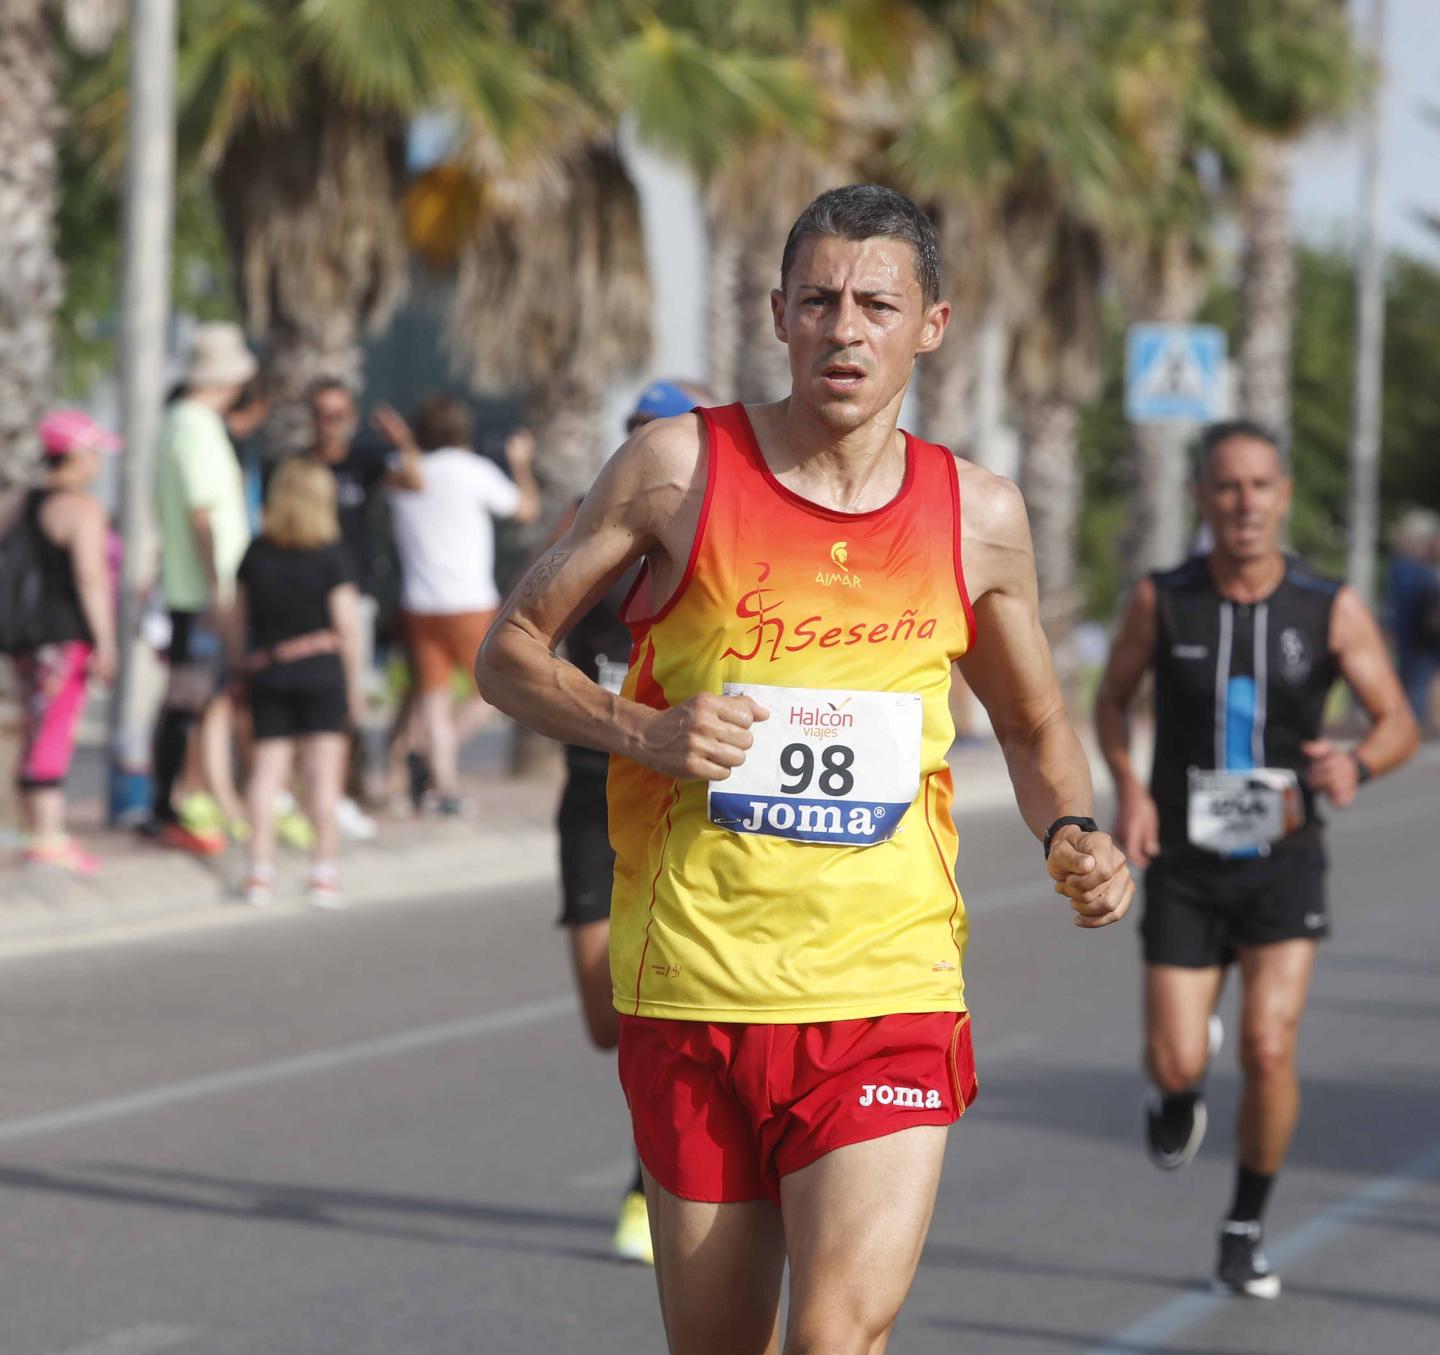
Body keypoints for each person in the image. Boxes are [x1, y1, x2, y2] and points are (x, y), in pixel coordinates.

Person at [475, 184, 1132, 1354]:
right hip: (696, 983)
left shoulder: (974, 513)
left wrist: (1072, 829)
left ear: (929, 324)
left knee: (834, 1337)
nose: (845, 329)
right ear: (777, 313)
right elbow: (507, 655)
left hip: (886, 985)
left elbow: (1033, 727)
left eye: (877, 303)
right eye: (819, 301)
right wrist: (644, 732)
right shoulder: (678, 467)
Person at [1094, 420, 1420, 1299]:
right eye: (1227, 487)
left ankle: (1244, 1226)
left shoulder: (1328, 605)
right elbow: (1112, 698)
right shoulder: (1164, 598)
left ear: (1282, 496)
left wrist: (1357, 761)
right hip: (1187, 865)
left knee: (1270, 1047)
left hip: (1283, 856)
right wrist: (1129, 784)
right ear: (1202, 499)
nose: (1245, 503)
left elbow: (1398, 721)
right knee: (1175, 1063)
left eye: (1260, 486)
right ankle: (1175, 1089)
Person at [545, 377, 709, 1266]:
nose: (645, 445)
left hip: (681, 795)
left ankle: (651, 1176)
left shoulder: (726, 521)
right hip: (591, 781)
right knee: (607, 1017)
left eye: (664, 430)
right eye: (635, 430)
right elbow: (527, 630)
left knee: (663, 995)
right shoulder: (589, 517)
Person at [387, 395, 539, 814]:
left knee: (432, 698)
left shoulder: (404, 474)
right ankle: (435, 765)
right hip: (470, 599)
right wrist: (521, 462)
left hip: (419, 599)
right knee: (493, 692)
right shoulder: (474, 472)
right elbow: (526, 509)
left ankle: (442, 781)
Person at [227, 457, 366, 906]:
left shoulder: (256, 552)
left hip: (269, 670)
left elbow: (236, 620)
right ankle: (323, 874)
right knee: (323, 780)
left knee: (266, 775)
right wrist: (356, 686)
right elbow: (347, 627)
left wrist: (241, 666)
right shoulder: (331, 555)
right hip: (321, 669)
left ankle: (258, 873)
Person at [148, 321, 258, 854]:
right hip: (203, 592)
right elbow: (201, 514)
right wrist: (219, 591)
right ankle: (169, 805)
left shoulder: (191, 421)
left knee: (207, 700)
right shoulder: (192, 426)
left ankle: (205, 799)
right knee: (189, 699)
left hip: (200, 589)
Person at [306, 378, 425, 831]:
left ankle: (346, 786)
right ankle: (317, 791)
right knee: (315, 693)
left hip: (353, 593)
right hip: (306, 595)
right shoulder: (300, 465)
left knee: (351, 696)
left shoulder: (363, 461)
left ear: (350, 418)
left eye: (337, 415)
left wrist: (403, 442)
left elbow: (414, 481)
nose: (328, 425)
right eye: (321, 414)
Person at [4, 411, 121, 872]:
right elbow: (91, 578)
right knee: (54, 732)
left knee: (37, 728)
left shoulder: (22, 502)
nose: (97, 463)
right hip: (65, 637)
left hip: (25, 641)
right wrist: (106, 642)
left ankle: (39, 831)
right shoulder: (82, 509)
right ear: (73, 454)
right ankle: (48, 836)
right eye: (92, 452)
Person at [1384, 510, 1440, 728]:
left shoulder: (1401, 568)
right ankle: (1414, 725)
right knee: (1419, 682)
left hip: (1409, 634)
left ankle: (1408, 724)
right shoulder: (1420, 571)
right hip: (1419, 636)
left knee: (1409, 680)